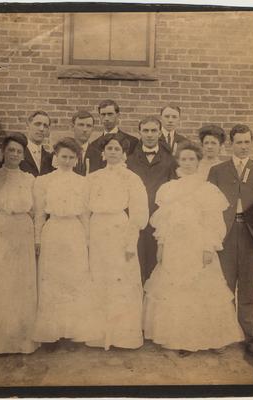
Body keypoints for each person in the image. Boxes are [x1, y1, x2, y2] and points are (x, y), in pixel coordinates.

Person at [143, 141, 244, 355]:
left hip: (198, 245)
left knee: (202, 286)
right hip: (174, 246)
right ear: (178, 161)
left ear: (198, 162)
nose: (188, 163)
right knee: (176, 288)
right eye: (184, 159)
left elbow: (215, 222)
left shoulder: (208, 190)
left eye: (192, 159)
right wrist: (161, 245)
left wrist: (209, 247)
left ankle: (213, 338)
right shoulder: (168, 189)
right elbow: (163, 221)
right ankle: (182, 339)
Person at [32, 138, 99, 345]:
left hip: (74, 232)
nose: (67, 160)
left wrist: (87, 240)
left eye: (71, 157)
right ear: (56, 157)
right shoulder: (44, 181)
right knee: (52, 280)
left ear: (77, 159)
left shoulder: (83, 182)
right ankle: (52, 333)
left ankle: (72, 332)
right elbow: (40, 213)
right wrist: (37, 239)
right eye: (64, 156)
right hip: (53, 231)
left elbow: (86, 214)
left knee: (74, 279)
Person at [87, 134, 149, 350]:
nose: (112, 152)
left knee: (121, 278)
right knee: (98, 276)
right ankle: (98, 334)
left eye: (117, 149)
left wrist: (131, 241)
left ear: (124, 154)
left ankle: (123, 336)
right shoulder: (92, 178)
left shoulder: (131, 178)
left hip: (119, 230)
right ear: (103, 153)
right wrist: (86, 237)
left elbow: (139, 212)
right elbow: (85, 210)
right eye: (109, 148)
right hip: (97, 230)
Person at [208, 124, 253, 357]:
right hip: (225, 235)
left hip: (251, 235)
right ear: (231, 143)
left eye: (246, 142)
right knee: (224, 286)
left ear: (252, 142)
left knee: (248, 287)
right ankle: (223, 335)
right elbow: (208, 208)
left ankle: (249, 337)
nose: (243, 146)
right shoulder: (219, 170)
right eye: (238, 142)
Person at [0, 133, 38, 354]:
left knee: (21, 282)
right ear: (2, 153)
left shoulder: (29, 180)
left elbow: (35, 210)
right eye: (10, 150)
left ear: (23, 155)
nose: (14, 154)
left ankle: (22, 340)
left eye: (18, 151)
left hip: (22, 230)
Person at [127, 116, 177, 284]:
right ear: (139, 133)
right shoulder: (129, 159)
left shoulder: (170, 160)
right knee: (135, 267)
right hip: (135, 222)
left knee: (157, 268)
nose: (149, 135)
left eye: (153, 130)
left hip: (159, 222)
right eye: (146, 131)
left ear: (159, 133)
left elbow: (173, 191)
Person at [88, 99, 139, 171]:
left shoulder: (132, 141)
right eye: (103, 114)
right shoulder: (94, 145)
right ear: (99, 116)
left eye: (110, 114)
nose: (106, 118)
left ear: (118, 115)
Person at [71, 110, 101, 176]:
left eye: (89, 126)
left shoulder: (99, 156)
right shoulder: (61, 152)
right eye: (81, 125)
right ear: (72, 127)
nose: (85, 129)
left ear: (92, 129)